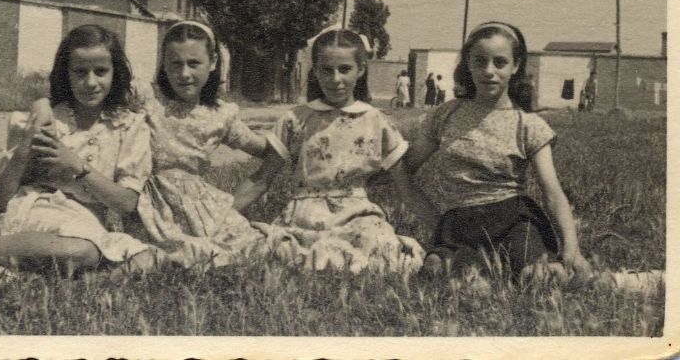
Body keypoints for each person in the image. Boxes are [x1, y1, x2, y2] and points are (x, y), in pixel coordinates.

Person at [0, 25, 156, 282]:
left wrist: (76, 165)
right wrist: (26, 144)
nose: (90, 82)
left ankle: (12, 274)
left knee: (148, 258)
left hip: (87, 223)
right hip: (38, 212)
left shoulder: (130, 126)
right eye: (79, 72)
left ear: (115, 72)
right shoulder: (48, 120)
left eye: (101, 71)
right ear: (66, 74)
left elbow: (126, 203)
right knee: (83, 251)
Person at [402, 21, 593, 281]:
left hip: (514, 222)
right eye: (480, 61)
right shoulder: (445, 115)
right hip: (459, 225)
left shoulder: (528, 125)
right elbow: (404, 167)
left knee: (536, 278)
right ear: (468, 64)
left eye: (500, 62)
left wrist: (572, 250)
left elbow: (552, 192)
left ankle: (620, 280)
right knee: (443, 273)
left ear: (515, 66)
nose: (489, 71)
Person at [250, 29, 431, 274]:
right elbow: (261, 180)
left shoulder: (376, 121)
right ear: (315, 71)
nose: (335, 79)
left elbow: (407, 191)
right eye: (327, 70)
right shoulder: (295, 119)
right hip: (305, 214)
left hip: (356, 215)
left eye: (345, 69)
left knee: (379, 243)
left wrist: (444, 231)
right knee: (274, 247)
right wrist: (221, 220)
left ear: (361, 70)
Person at [125, 21, 285, 272]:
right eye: (175, 64)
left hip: (201, 207)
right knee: (165, 257)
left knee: (258, 249)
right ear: (163, 64)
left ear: (212, 63)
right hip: (152, 208)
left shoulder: (219, 115)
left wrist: (297, 135)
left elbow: (266, 149)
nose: (184, 73)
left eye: (194, 63)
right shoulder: (147, 98)